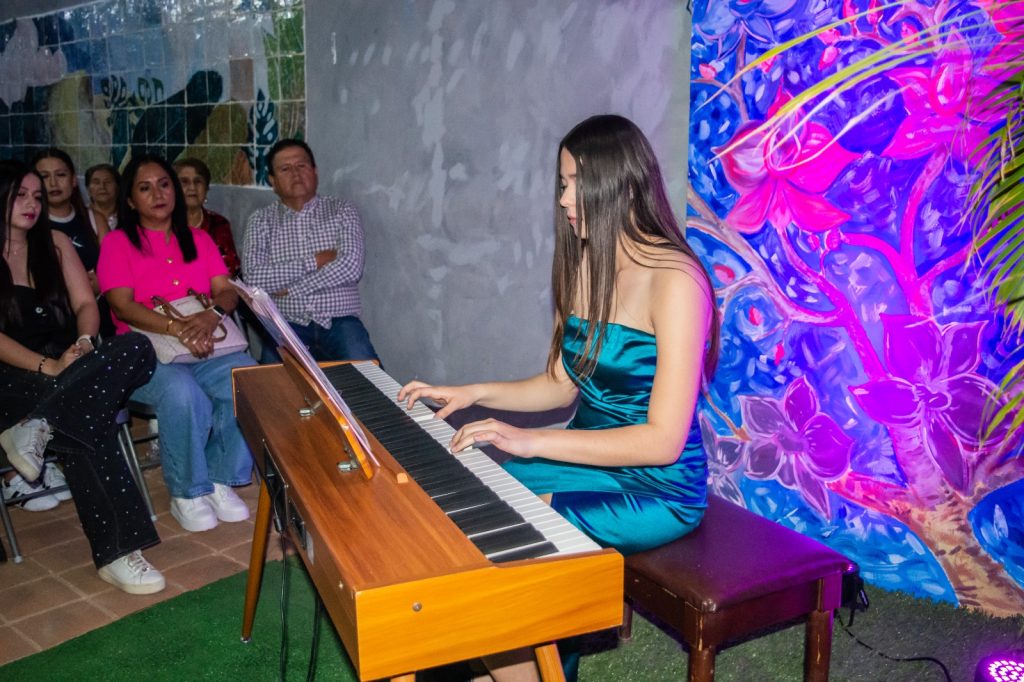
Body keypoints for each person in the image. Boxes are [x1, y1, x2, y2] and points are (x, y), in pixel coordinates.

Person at [398, 115, 720, 681]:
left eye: (575, 183)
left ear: (621, 185)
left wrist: (531, 441)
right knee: (480, 505)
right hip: (585, 455)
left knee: (519, 538)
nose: (564, 198)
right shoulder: (584, 262)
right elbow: (560, 383)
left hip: (657, 485)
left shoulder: (677, 280)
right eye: (562, 183)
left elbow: (663, 441)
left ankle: (526, 666)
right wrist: (472, 392)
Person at [0, 161, 165, 594]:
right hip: (11, 376)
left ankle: (38, 425)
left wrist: (85, 343)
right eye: (20, 195)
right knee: (87, 420)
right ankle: (117, 554)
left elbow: (86, 305)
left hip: (69, 363)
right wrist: (49, 367)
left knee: (136, 346)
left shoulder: (54, 243)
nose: (32, 204)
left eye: (37, 196)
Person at [97, 153, 256, 534]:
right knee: (185, 394)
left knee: (249, 379)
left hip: (206, 342)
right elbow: (122, 305)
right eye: (145, 188)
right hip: (146, 352)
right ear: (130, 199)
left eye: (164, 184)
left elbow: (226, 291)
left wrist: (211, 315)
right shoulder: (118, 243)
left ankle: (219, 477)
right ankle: (187, 491)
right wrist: (177, 328)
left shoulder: (199, 239)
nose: (158, 194)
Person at [241, 138, 378, 363]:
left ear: (315, 172)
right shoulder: (260, 220)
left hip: (339, 321)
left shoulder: (342, 211)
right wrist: (316, 261)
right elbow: (254, 278)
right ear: (272, 181)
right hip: (286, 324)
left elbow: (350, 267)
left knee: (368, 379)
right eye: (285, 169)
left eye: (301, 165)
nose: (295, 173)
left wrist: (292, 289)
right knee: (270, 382)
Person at [32, 149, 99, 294]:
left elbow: (115, 266)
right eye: (44, 176)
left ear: (73, 180)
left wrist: (102, 282)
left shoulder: (93, 218)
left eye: (61, 175)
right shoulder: (29, 223)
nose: (53, 183)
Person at [173, 157, 241, 277]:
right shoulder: (162, 224)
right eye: (184, 181)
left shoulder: (219, 224)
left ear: (206, 189)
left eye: (198, 181)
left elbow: (230, 270)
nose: (192, 187)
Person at [85, 163, 120, 240]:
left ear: (118, 187)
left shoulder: (128, 218)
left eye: (108, 182)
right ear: (88, 189)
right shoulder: (81, 216)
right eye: (96, 182)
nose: (102, 186)